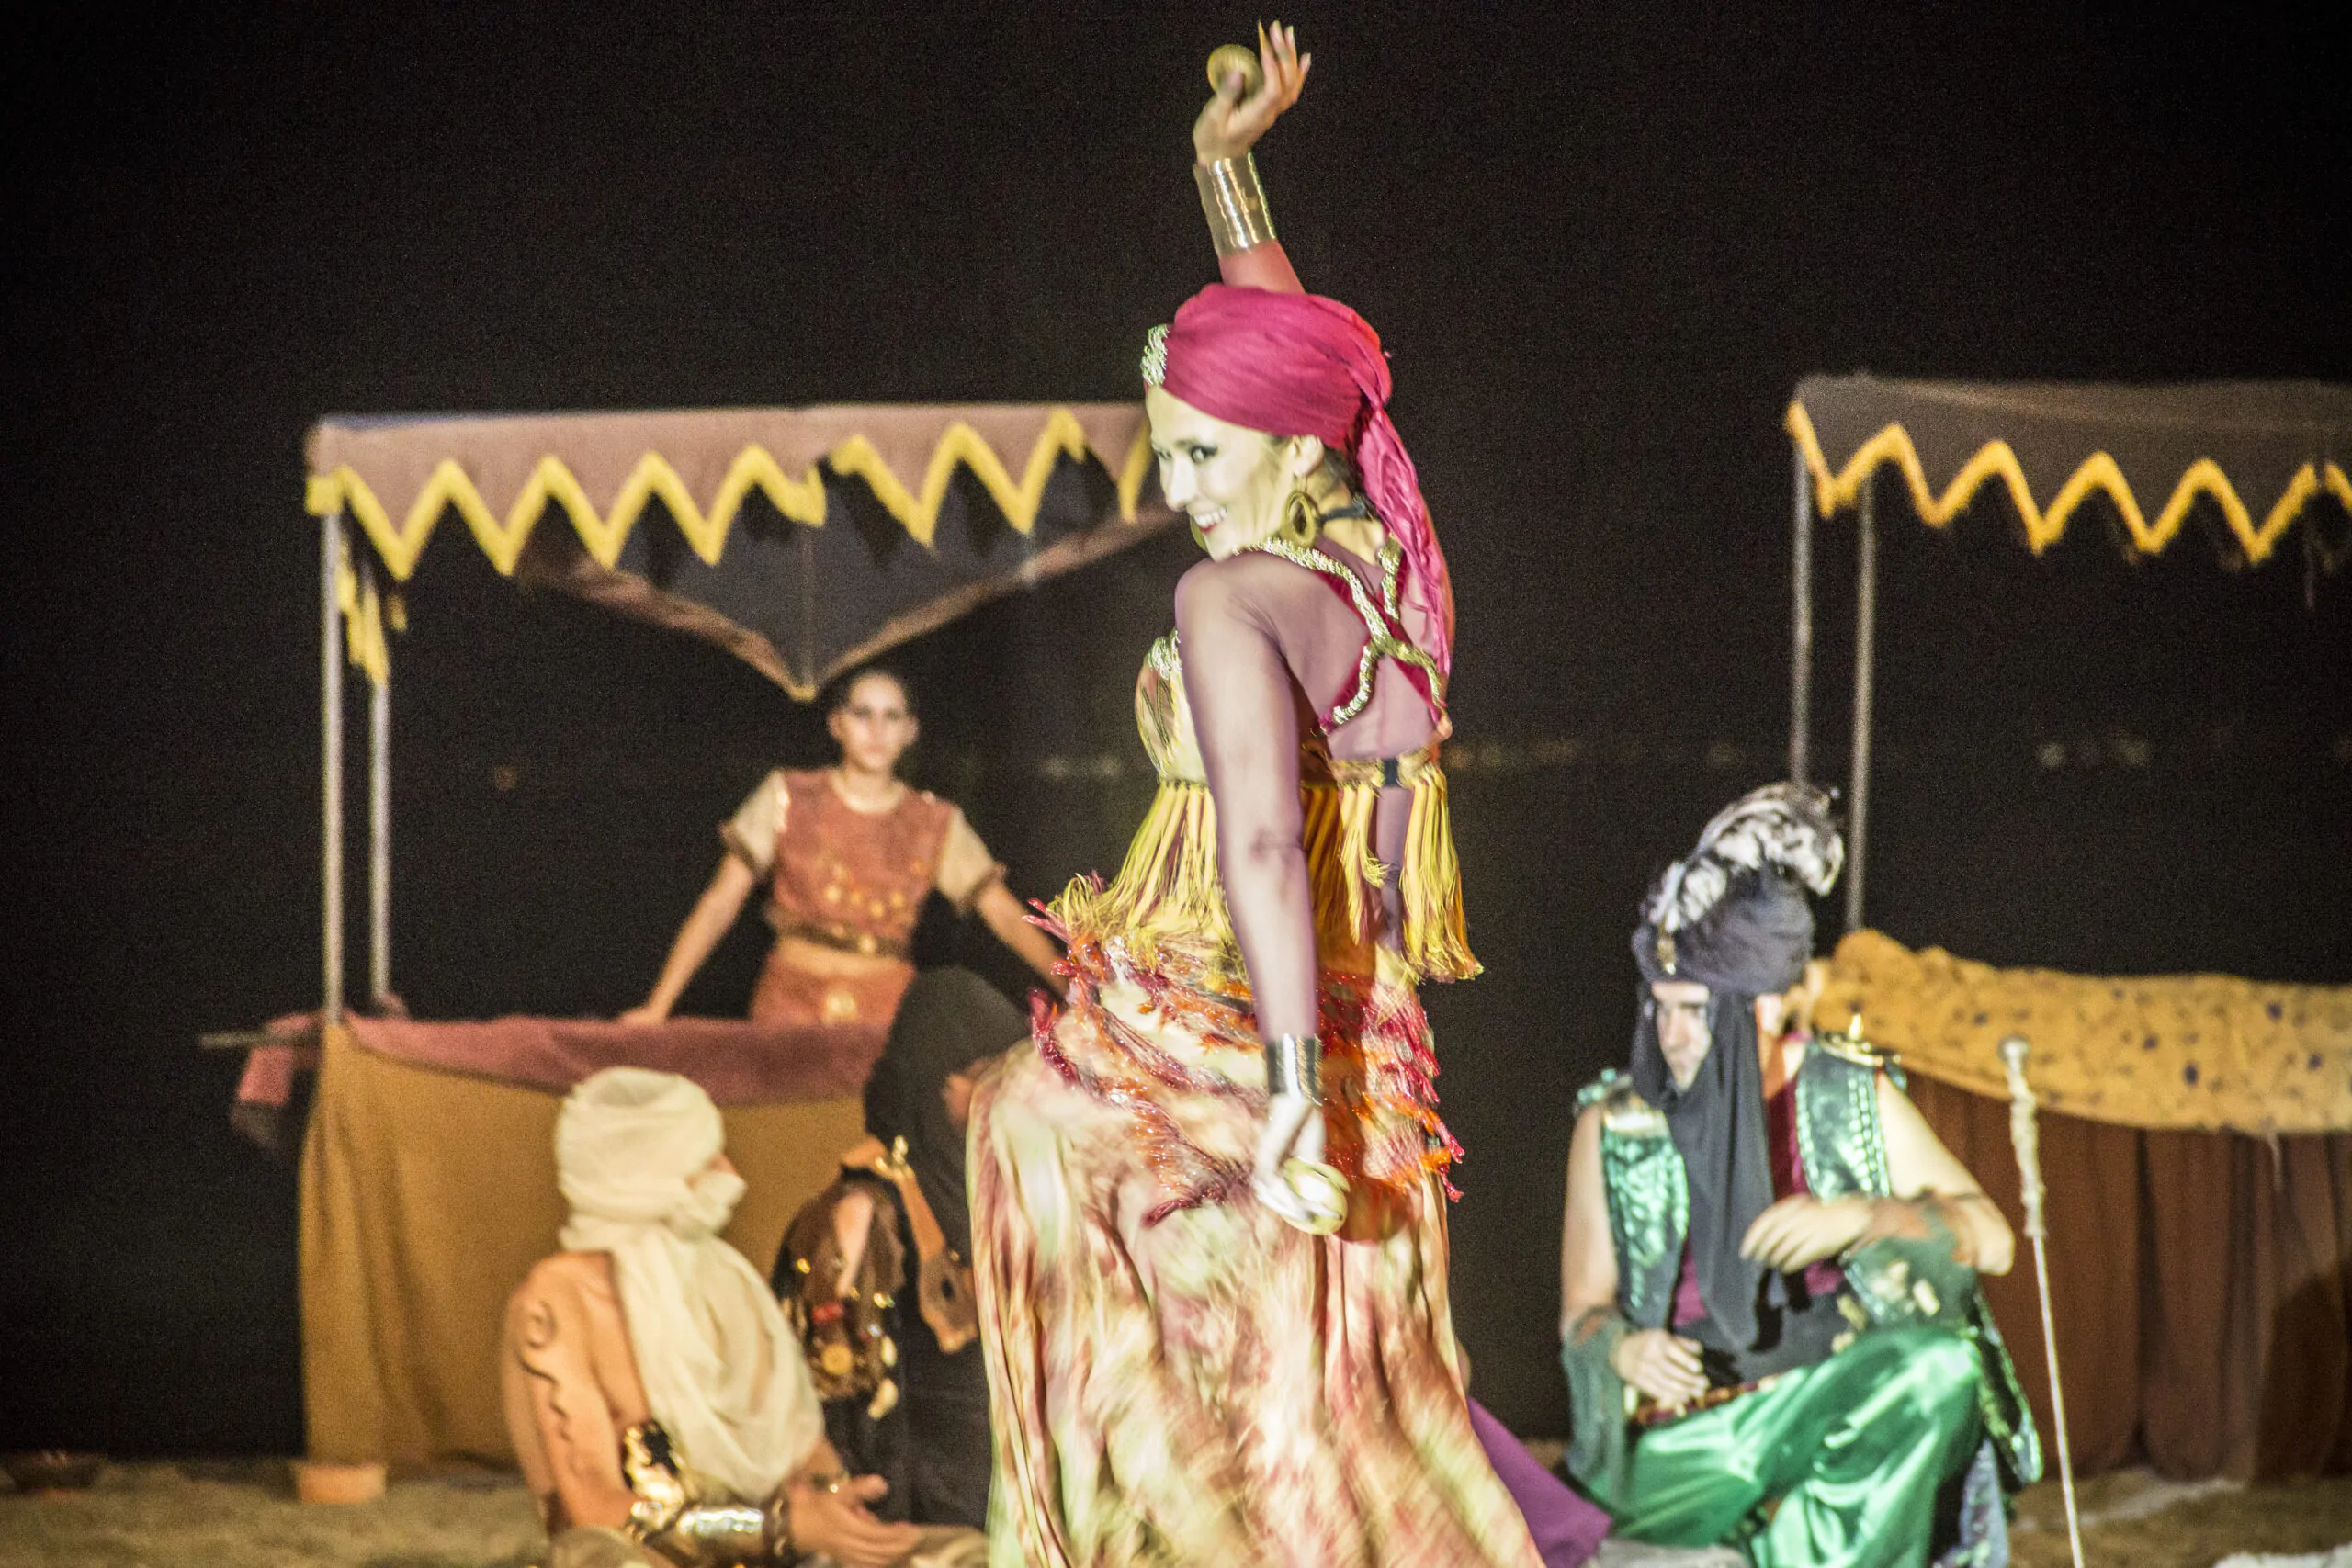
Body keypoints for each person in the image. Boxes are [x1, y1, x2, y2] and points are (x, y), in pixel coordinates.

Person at [967, 28, 1594, 1565]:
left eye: (1195, 450)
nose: (1176, 485)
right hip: (1379, 1040)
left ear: (1276, 439)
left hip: (1260, 1026)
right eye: (1167, 451)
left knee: (1032, 1133)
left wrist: (1292, 1097)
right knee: (1323, 1396)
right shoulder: (1391, 556)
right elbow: (1294, 345)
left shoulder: (1232, 594)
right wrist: (1221, 168)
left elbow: (1257, 836)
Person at [1558, 784, 2042, 1567]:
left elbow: (1991, 1240)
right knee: (1547, 1529)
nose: (1672, 1033)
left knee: (1940, 1369)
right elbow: (1582, 1310)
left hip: (1824, 1396)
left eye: (1695, 1010)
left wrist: (1862, 1215)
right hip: (1686, 1439)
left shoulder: (1845, 1092)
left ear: (1763, 1008)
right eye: (1660, 1007)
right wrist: (1621, 1350)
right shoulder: (1614, 1125)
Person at [501, 1066, 957, 1567]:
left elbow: (807, 1459)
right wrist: (780, 1529)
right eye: (703, 1161)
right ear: (641, 1177)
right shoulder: (552, 1305)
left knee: (967, 1554)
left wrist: (840, 1508)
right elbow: (593, 1513)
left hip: (768, 1549)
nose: (730, 1177)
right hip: (641, 1560)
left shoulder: (724, 1282)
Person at [621, 666, 1060, 1034]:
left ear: (910, 731)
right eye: (862, 714)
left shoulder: (934, 822)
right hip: (788, 1008)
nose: (876, 730)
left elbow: (1004, 917)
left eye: (891, 717)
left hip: (884, 1017)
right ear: (837, 725)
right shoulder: (788, 795)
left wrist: (1078, 989)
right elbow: (720, 903)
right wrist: (659, 1006)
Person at [773, 968, 1024, 1533]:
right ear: (929, 1082)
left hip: (1006, 1503)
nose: (1000, 1100)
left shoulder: (996, 1189)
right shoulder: (865, 1212)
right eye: (980, 1077)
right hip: (920, 1521)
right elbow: (836, 1404)